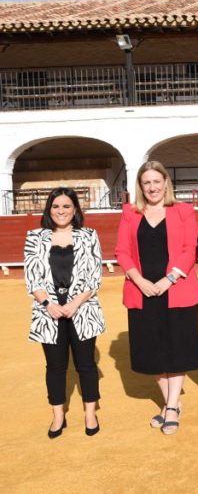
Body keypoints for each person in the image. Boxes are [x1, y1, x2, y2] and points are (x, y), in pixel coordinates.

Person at [115, 160, 198, 435]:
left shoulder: (183, 210)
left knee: (177, 349)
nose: (152, 187)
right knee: (151, 351)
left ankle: (172, 407)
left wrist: (169, 279)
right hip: (142, 292)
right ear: (140, 186)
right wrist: (139, 281)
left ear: (166, 182)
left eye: (156, 181)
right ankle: (170, 403)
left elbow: (190, 249)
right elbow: (122, 251)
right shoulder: (130, 212)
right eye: (146, 182)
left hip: (176, 289)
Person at [24, 187, 106, 438]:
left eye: (67, 206)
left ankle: (90, 413)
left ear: (75, 210)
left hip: (82, 309)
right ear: (49, 209)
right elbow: (32, 278)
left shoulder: (89, 235)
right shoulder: (34, 237)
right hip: (48, 310)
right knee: (55, 367)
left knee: (86, 365)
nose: (61, 211)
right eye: (56, 206)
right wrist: (49, 304)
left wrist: (76, 303)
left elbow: (95, 278)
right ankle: (58, 415)